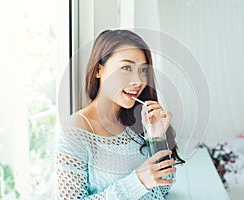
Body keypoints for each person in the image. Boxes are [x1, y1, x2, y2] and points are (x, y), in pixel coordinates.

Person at [56, 29, 185, 199]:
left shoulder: (140, 122)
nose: (138, 81)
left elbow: (162, 190)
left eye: (143, 70)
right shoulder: (74, 132)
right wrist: (138, 181)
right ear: (98, 70)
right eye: (126, 67)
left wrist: (156, 139)